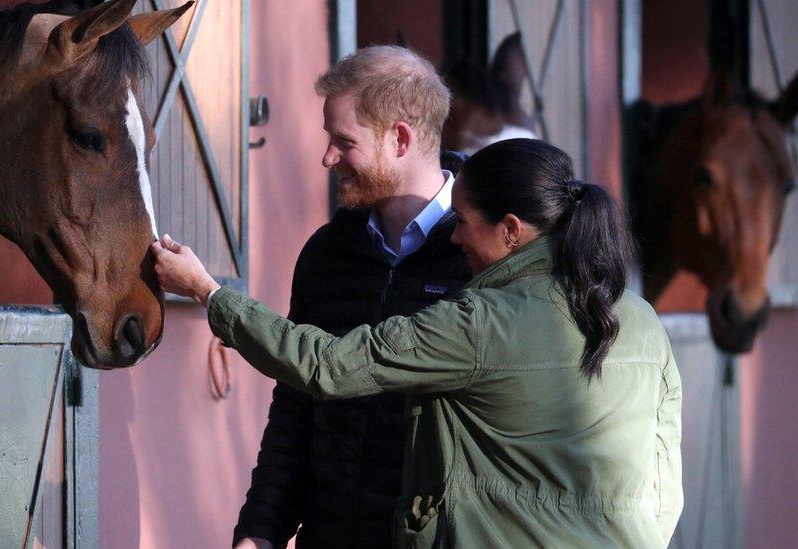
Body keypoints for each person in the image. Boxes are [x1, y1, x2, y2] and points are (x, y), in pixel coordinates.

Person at [152, 138, 684, 548]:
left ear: (512, 231)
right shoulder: (640, 318)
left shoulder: (482, 322)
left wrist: (208, 292)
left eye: (466, 224)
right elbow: (664, 480)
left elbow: (329, 366)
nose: (453, 239)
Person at [229, 45, 471, 548]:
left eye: (344, 141)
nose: (327, 157)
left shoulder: (481, 256)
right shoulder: (327, 253)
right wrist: (261, 529)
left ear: (399, 139)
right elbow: (296, 404)